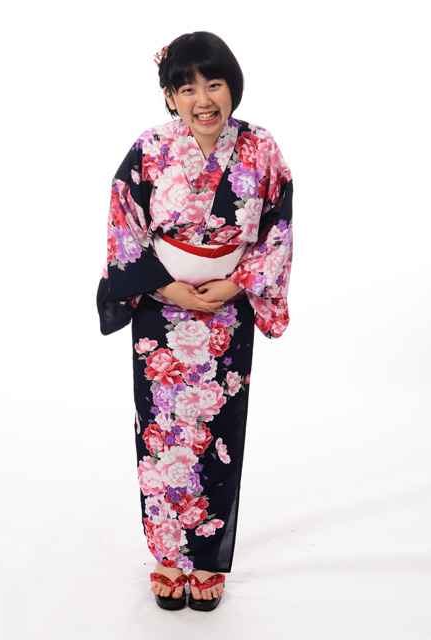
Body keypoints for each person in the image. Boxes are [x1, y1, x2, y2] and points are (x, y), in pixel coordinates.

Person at [96, 31, 293, 612]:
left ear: (233, 86)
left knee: (218, 436)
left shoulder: (261, 148)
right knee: (161, 432)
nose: (203, 99)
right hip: (160, 310)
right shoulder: (150, 148)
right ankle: (166, 554)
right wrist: (167, 285)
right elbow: (124, 221)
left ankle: (206, 558)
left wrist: (237, 283)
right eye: (187, 88)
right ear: (169, 96)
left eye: (214, 83)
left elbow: (278, 224)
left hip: (227, 313)